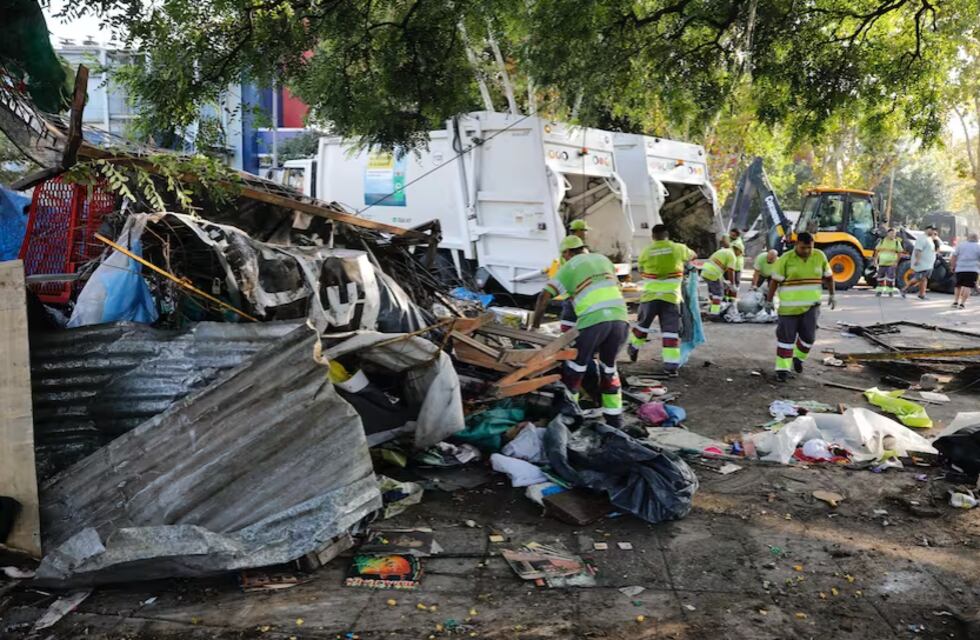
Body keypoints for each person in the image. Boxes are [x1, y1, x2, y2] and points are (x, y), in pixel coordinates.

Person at [532, 235, 628, 427]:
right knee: (609, 368)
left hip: (593, 321)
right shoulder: (603, 259)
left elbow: (545, 295)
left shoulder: (569, 266)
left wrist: (534, 325)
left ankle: (570, 417)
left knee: (576, 368)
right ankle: (614, 419)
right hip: (620, 319)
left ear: (567, 253)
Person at [627, 224, 696, 376]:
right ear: (667, 235)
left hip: (650, 297)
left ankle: (633, 348)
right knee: (671, 332)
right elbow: (693, 256)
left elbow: (641, 270)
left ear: (653, 237)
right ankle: (671, 367)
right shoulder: (678, 248)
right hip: (671, 297)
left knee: (642, 326)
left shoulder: (646, 251)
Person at [766, 232, 836, 382]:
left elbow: (829, 277)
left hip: (811, 307)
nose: (806, 251)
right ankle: (782, 370)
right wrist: (769, 300)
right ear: (796, 244)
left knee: (809, 338)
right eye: (803, 248)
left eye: (809, 248)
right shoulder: (785, 259)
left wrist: (832, 294)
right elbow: (774, 281)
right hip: (788, 309)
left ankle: (799, 358)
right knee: (786, 339)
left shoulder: (819, 256)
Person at [700, 241, 739, 317]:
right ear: (737, 250)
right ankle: (714, 313)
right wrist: (732, 284)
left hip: (706, 272)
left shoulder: (722, 251)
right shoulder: (732, 255)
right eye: (740, 253)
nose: (739, 255)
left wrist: (723, 280)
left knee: (712, 293)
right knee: (718, 295)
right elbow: (731, 271)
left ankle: (712, 309)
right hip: (714, 274)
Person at [901, 226, 937, 300]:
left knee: (924, 279)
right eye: (932, 230)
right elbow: (918, 250)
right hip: (922, 263)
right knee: (919, 277)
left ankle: (922, 294)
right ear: (927, 229)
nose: (933, 232)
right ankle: (904, 289)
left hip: (928, 264)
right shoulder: (922, 238)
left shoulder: (929, 238)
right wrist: (917, 260)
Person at [951, 232, 980, 309]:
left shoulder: (961, 245)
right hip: (973, 270)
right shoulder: (978, 246)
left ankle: (955, 301)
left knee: (958, 285)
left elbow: (954, 256)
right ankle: (962, 304)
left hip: (960, 269)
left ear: (968, 238)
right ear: (977, 238)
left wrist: (953, 266)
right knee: (967, 286)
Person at [873, 228, 904, 297]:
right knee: (880, 278)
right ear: (888, 233)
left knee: (890, 278)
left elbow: (899, 253)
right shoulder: (882, 241)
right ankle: (879, 291)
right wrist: (875, 260)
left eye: (894, 234)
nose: (893, 235)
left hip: (891, 264)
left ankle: (890, 292)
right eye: (891, 233)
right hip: (882, 263)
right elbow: (877, 251)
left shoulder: (897, 242)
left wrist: (896, 262)